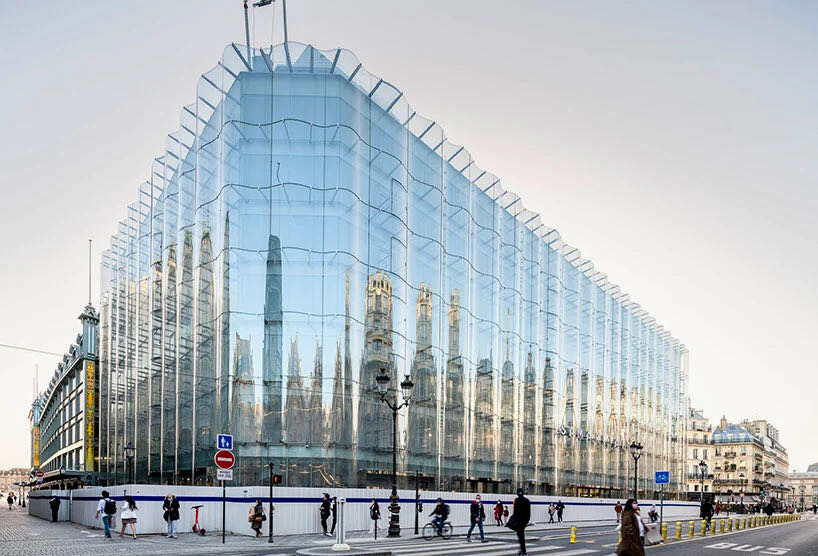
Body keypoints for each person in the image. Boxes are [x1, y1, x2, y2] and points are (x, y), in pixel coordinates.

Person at [507, 488, 531, 556]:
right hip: (524, 521)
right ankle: (522, 551)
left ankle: (523, 552)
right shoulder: (527, 500)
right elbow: (529, 512)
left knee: (521, 536)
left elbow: (515, 512)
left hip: (518, 520)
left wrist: (513, 520)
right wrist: (527, 521)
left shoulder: (516, 500)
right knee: (521, 535)